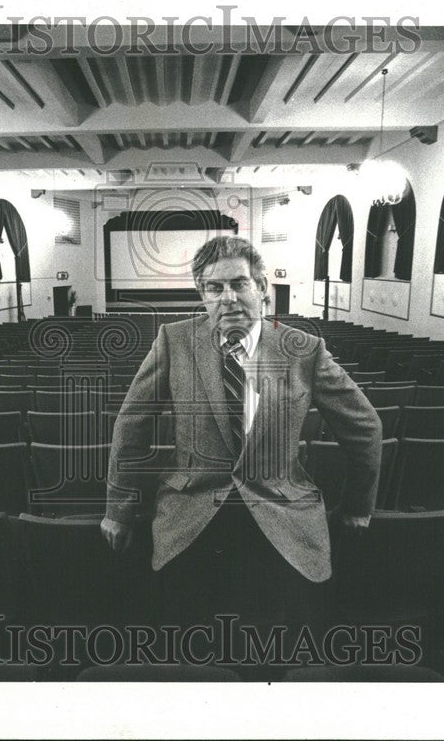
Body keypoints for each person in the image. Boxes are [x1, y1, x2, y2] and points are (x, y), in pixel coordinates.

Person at [100, 235, 382, 664]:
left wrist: (357, 507)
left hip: (280, 510)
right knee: (182, 646)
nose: (228, 297)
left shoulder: (303, 349)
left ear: (262, 286)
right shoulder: (173, 341)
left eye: (240, 283)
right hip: (190, 510)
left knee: (286, 645)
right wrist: (117, 509)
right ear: (202, 295)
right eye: (214, 288)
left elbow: (365, 427)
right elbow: (131, 425)